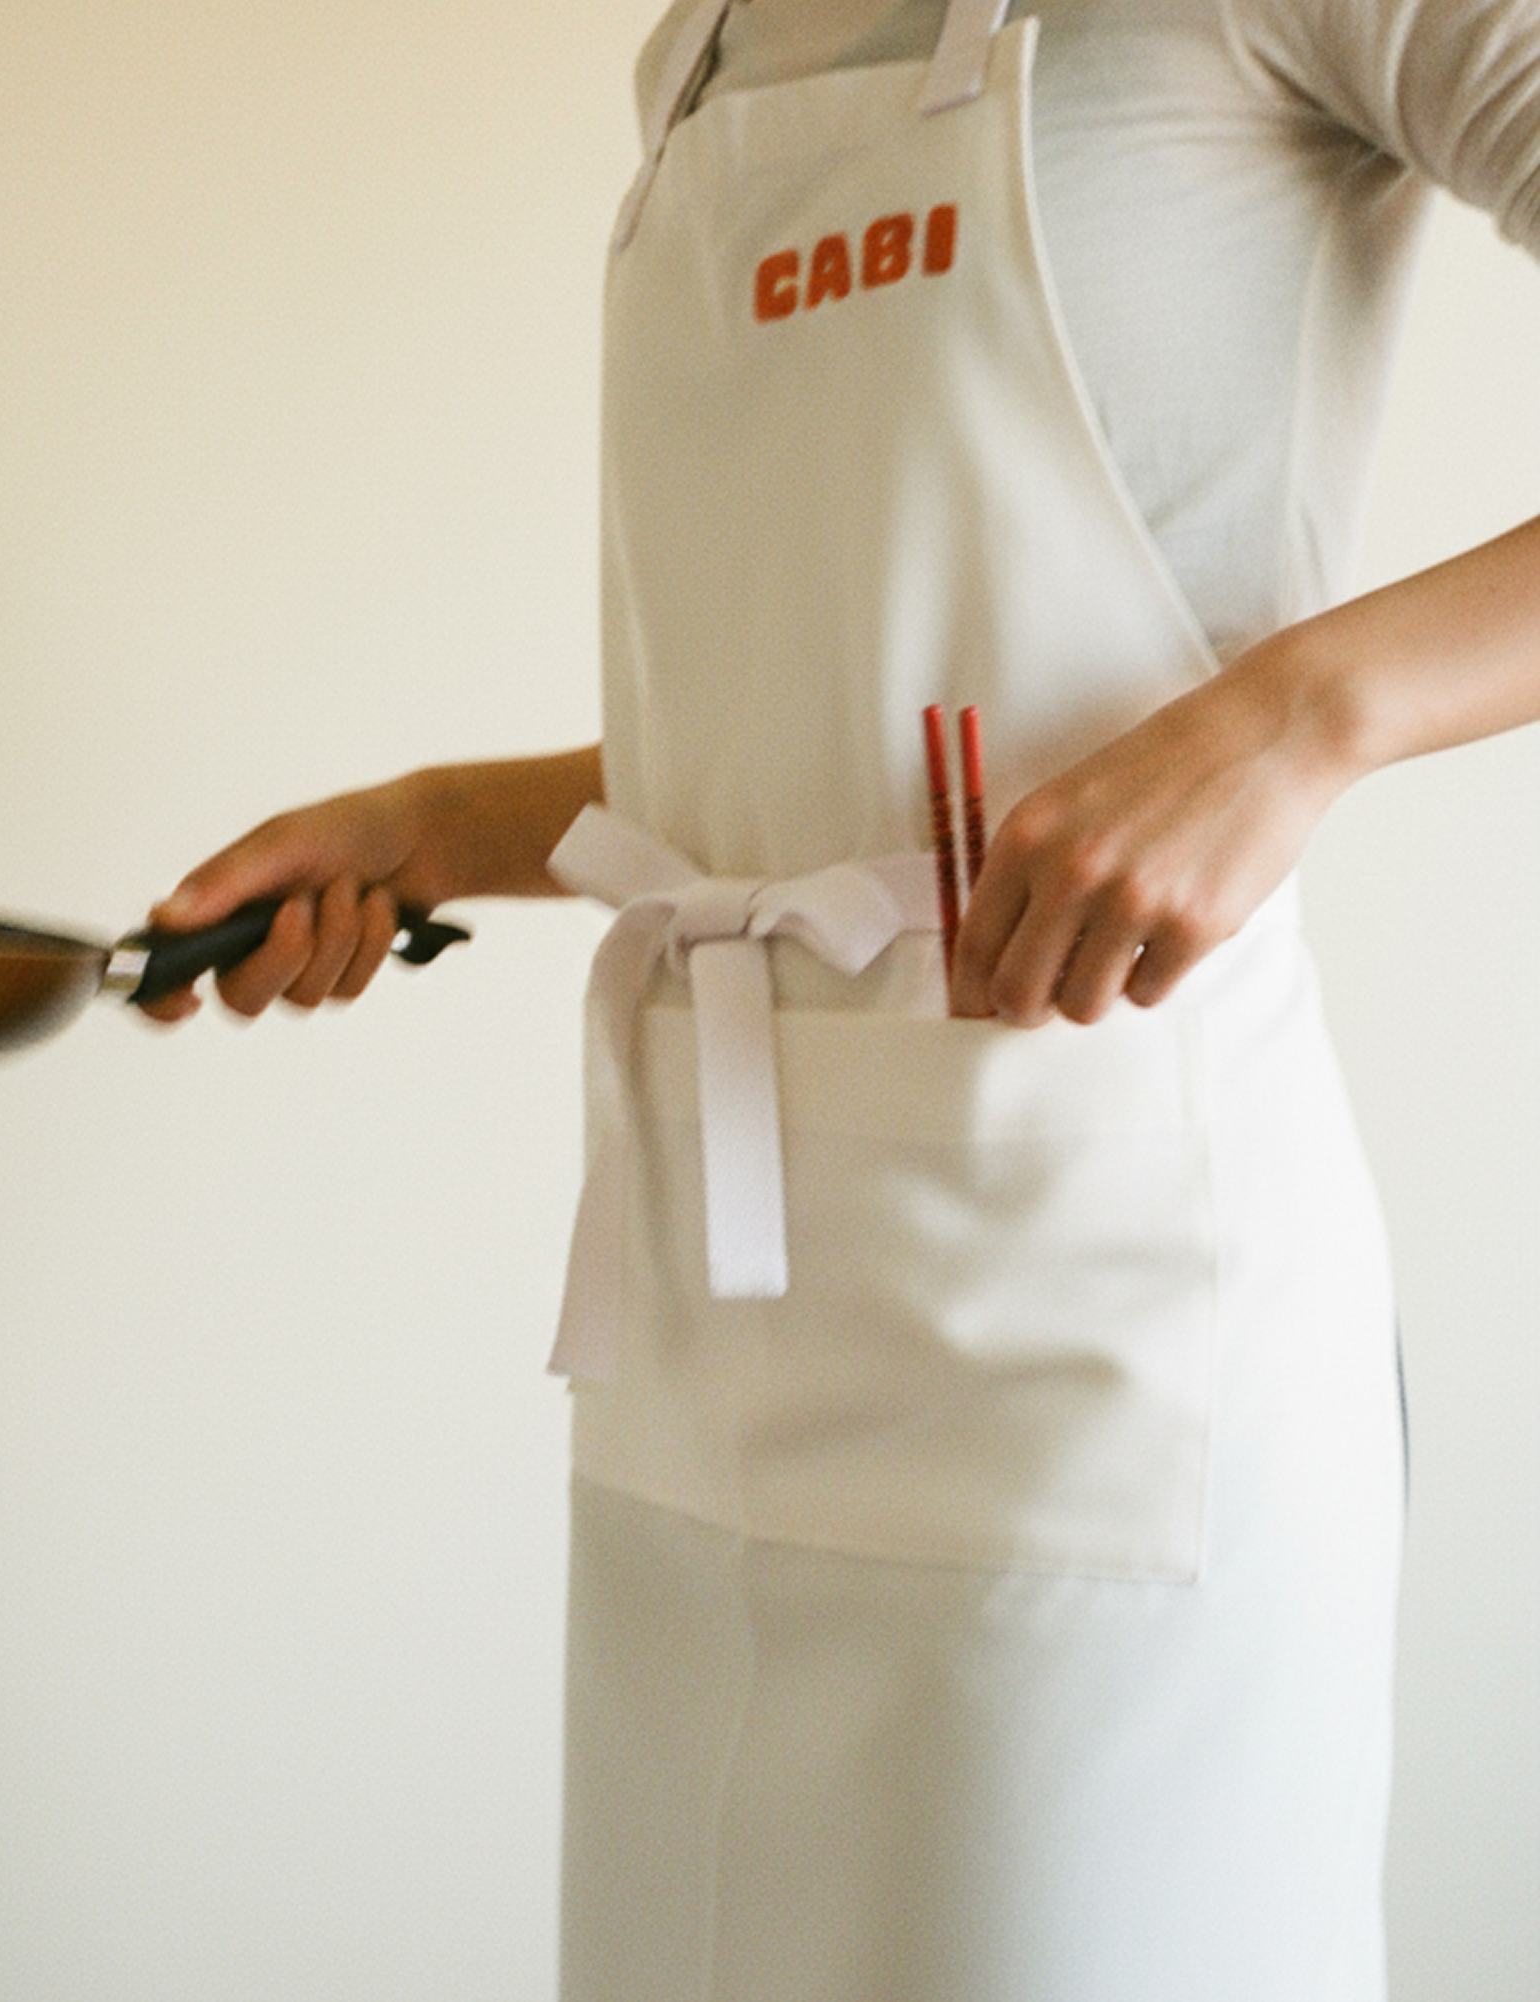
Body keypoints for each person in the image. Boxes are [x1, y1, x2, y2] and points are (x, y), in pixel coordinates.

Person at [148, 2, 1540, 1995]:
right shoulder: (704, 51)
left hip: (1090, 1341)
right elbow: (825, 775)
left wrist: (1306, 716)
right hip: (705, 1356)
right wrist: (439, 824)